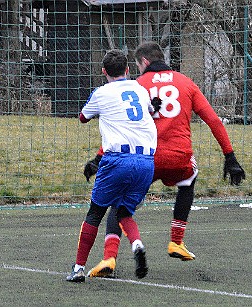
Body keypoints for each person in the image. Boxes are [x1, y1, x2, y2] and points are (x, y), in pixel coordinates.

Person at [84, 41, 245, 278]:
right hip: (179, 159)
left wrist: (99, 158)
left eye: (139, 65)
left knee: (119, 205)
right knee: (189, 178)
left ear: (145, 62)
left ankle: (109, 257)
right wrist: (229, 156)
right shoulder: (186, 82)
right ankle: (176, 241)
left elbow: (122, 128)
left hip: (144, 159)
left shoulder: (137, 86)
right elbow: (213, 120)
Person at [66, 49, 157, 282]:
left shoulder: (101, 92)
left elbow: (83, 117)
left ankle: (77, 268)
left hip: (118, 159)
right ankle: (136, 244)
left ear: (104, 72)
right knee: (124, 211)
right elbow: (150, 111)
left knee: (95, 213)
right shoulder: (139, 88)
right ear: (127, 70)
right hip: (147, 162)